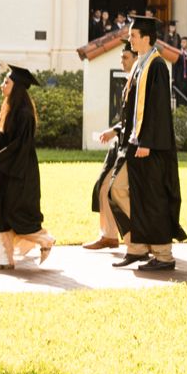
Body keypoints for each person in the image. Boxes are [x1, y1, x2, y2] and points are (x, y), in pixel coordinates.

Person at [105, 15, 186, 270]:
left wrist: (147, 142)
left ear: (146, 37)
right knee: (118, 189)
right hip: (134, 143)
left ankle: (163, 255)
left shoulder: (157, 65)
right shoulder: (140, 64)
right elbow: (133, 110)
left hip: (151, 147)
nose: (129, 38)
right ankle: (138, 246)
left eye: (133, 35)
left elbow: (159, 109)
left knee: (153, 199)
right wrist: (121, 132)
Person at [0, 65, 54, 270]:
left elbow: (18, 146)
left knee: (15, 213)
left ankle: (45, 239)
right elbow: (3, 140)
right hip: (6, 169)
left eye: (7, 82)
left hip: (19, 171)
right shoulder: (9, 107)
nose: (2, 85)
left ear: (17, 86)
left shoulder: (24, 113)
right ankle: (0, 259)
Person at [85, 43, 138, 251]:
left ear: (135, 58)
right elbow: (126, 118)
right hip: (120, 144)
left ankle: (133, 238)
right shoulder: (129, 81)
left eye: (125, 57)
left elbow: (136, 119)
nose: (121, 61)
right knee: (104, 186)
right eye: (121, 57)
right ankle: (108, 235)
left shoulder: (138, 81)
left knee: (112, 188)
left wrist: (116, 131)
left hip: (132, 146)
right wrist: (114, 131)